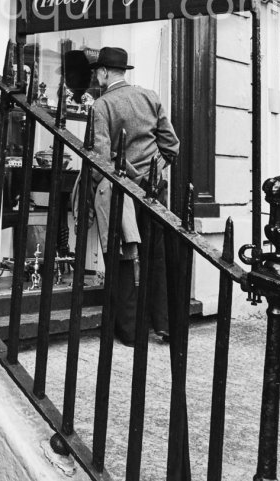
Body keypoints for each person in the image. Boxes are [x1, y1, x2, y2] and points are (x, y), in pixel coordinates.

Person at [89, 46, 180, 346]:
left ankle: (130, 331)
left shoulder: (101, 106)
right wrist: (154, 171)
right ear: (123, 71)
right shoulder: (150, 96)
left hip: (124, 192)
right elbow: (171, 146)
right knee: (158, 256)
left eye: (97, 72)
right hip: (155, 190)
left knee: (124, 256)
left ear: (103, 73)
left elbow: (101, 161)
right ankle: (164, 325)